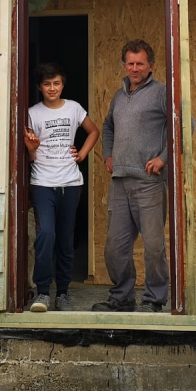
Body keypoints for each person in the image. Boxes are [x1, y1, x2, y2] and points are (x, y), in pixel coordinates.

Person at [92, 39, 169, 313]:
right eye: (130, 63)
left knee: (154, 246)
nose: (134, 68)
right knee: (115, 246)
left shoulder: (162, 93)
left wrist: (163, 158)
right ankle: (122, 298)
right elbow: (108, 125)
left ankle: (154, 300)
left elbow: (185, 125)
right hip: (119, 181)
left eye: (140, 63)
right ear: (124, 65)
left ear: (151, 66)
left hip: (149, 183)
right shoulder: (118, 95)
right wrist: (109, 153)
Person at [25, 62, 99, 312]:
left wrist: (82, 155)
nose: (52, 88)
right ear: (39, 87)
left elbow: (93, 131)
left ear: (63, 84)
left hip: (71, 183)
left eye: (56, 83)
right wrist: (32, 149)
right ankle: (43, 292)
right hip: (42, 183)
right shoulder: (32, 113)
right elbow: (28, 157)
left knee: (66, 240)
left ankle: (63, 293)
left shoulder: (74, 108)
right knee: (46, 235)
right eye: (47, 84)